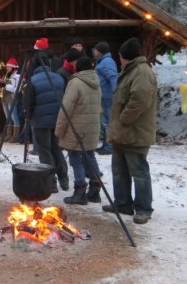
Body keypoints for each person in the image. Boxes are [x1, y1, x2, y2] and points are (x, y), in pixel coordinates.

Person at [102, 37, 158, 225]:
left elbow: (139, 101)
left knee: (139, 172)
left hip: (135, 133)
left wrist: (124, 119)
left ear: (124, 56)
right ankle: (123, 203)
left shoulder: (142, 73)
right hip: (122, 134)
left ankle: (143, 209)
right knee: (119, 171)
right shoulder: (130, 71)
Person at [55, 57, 103, 204]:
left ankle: (80, 191)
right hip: (92, 126)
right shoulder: (96, 82)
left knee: (75, 157)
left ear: (78, 69)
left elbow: (66, 108)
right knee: (90, 155)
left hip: (77, 127)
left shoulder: (75, 82)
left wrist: (59, 130)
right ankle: (95, 190)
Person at [23, 39, 69, 192]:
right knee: (56, 149)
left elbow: (28, 103)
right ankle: (64, 178)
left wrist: (28, 117)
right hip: (56, 120)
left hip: (40, 122)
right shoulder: (58, 78)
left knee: (44, 151)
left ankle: (51, 182)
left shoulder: (33, 80)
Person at [93, 41, 118, 155]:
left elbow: (113, 77)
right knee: (104, 122)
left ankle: (109, 146)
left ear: (100, 51)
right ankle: (106, 144)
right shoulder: (103, 61)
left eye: (96, 50)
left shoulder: (106, 62)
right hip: (103, 96)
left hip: (106, 97)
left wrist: (116, 93)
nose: (94, 51)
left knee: (107, 122)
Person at [1, 58, 21, 142]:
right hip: (4, 98)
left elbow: (17, 89)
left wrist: (6, 86)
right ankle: (9, 135)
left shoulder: (18, 77)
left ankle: (15, 136)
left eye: (8, 67)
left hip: (11, 99)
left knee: (14, 117)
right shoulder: (7, 76)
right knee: (7, 117)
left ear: (13, 67)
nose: (7, 68)